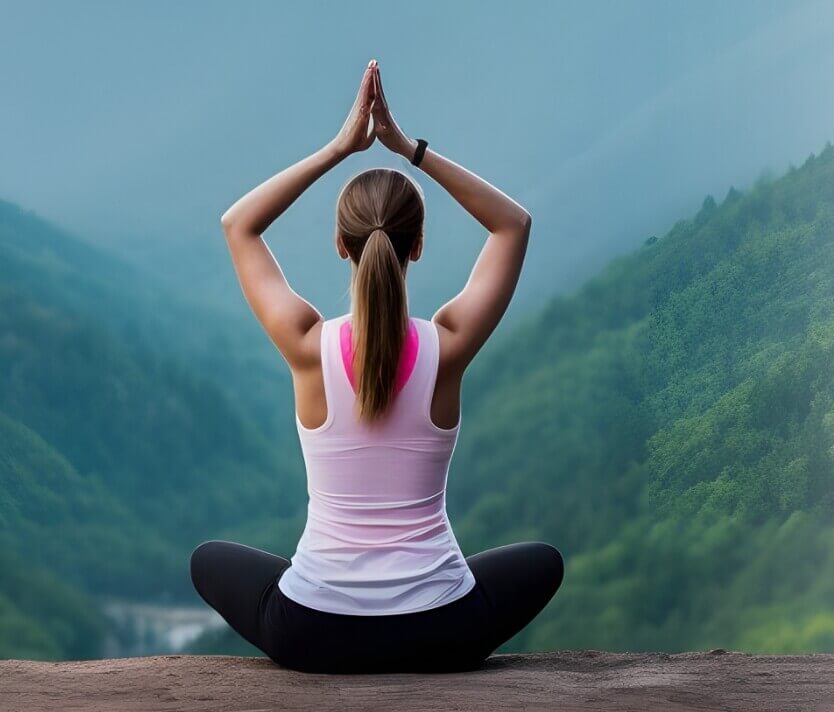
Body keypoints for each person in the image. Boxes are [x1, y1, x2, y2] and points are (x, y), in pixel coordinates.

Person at [190, 59, 561, 674]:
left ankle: (324, 584)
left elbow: (240, 225)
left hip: (312, 635)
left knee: (209, 558)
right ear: (417, 246)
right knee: (542, 560)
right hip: (442, 631)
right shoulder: (448, 346)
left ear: (341, 245)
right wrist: (408, 149)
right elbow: (513, 225)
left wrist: (340, 149)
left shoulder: (308, 346)